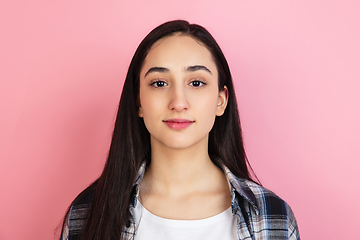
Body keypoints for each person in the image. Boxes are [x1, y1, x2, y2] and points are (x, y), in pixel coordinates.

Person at [60, 20, 300, 240]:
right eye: (159, 83)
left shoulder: (272, 215)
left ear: (221, 100)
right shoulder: (88, 212)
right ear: (138, 102)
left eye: (196, 83)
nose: (178, 102)